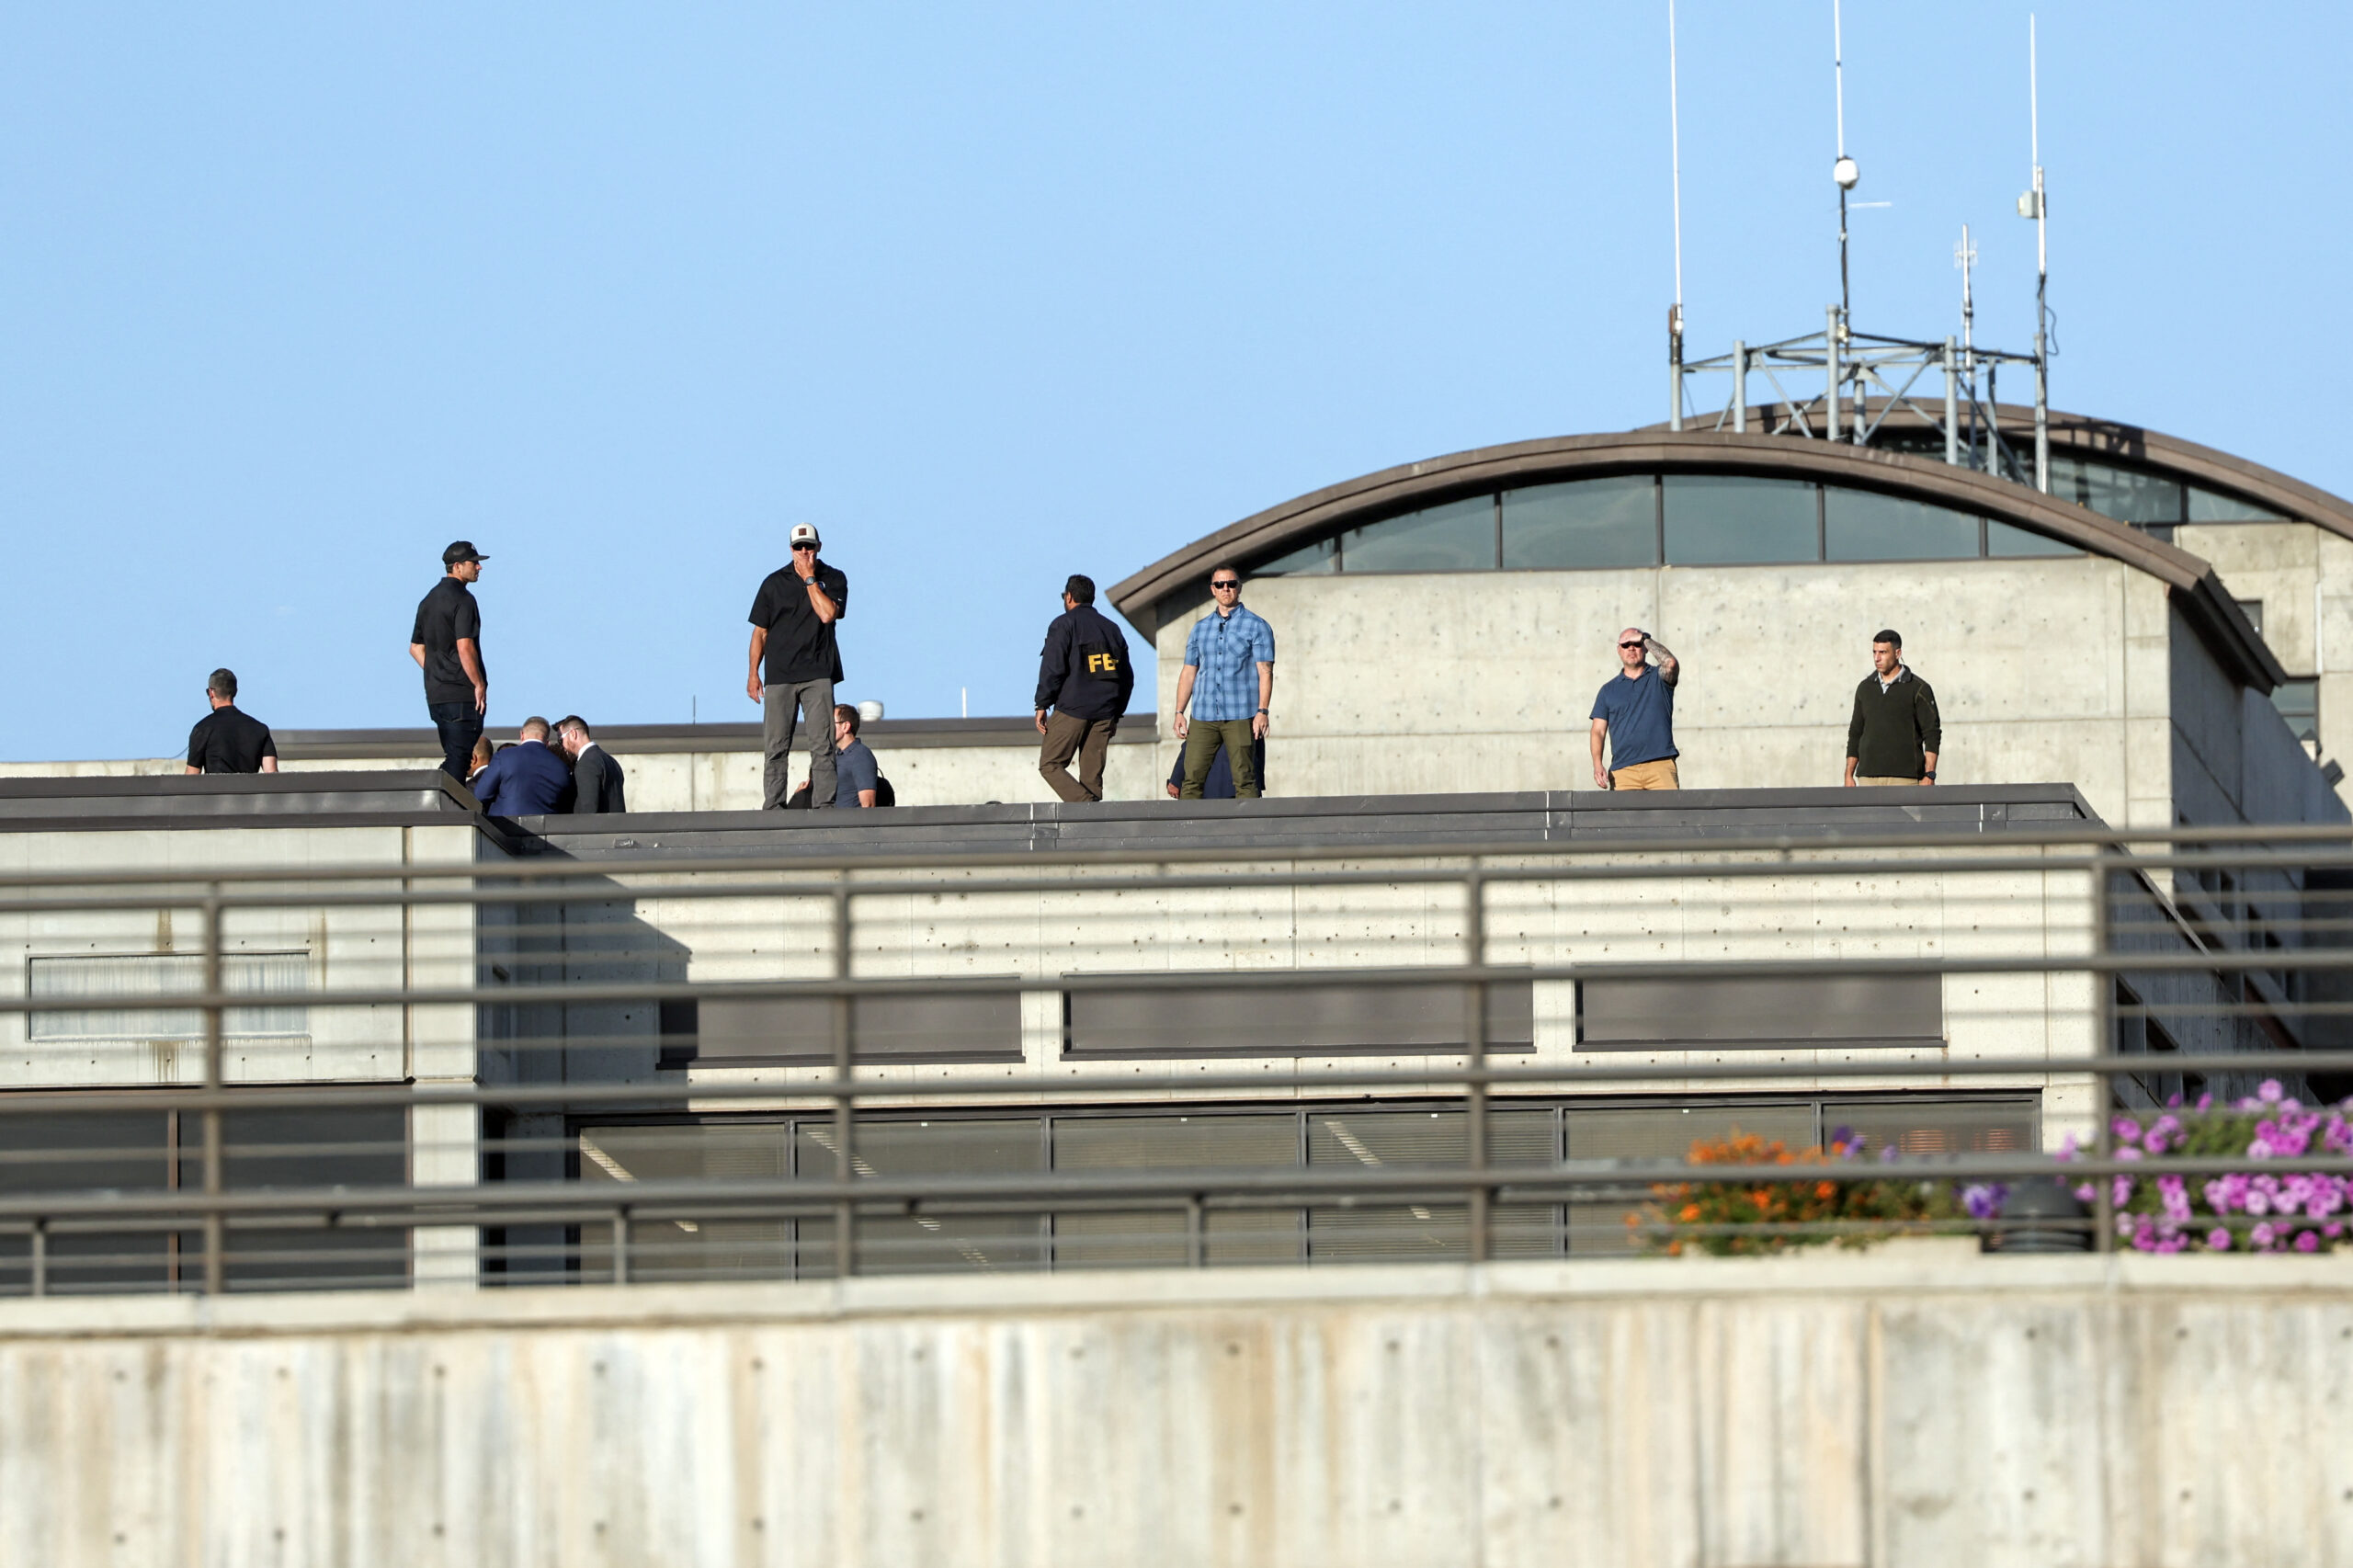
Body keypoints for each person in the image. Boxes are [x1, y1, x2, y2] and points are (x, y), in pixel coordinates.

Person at [747, 523, 848, 810]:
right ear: (790, 549)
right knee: (776, 746)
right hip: (779, 676)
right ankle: (774, 806)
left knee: (822, 744)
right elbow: (760, 632)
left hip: (818, 672)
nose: (804, 552)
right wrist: (753, 673)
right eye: (798, 547)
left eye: (809, 546)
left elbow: (828, 614)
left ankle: (824, 805)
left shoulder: (834, 577)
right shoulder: (772, 583)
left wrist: (809, 580)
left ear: (819, 547)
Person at [1173, 565, 1274, 799]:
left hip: (1240, 713)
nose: (1225, 588)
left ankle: (1249, 831)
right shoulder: (1200, 628)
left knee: (1245, 778)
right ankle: (1189, 832)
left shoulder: (1257, 626)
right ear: (1213, 590)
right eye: (1220, 584)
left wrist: (1262, 711)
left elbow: (1265, 671)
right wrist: (1179, 711)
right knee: (1192, 778)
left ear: (1239, 588)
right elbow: (1189, 672)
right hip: (1204, 714)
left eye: (1231, 584)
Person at [1033, 574, 1135, 802]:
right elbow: (1127, 677)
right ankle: (1092, 828)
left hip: (1073, 709)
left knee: (1050, 764)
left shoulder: (1064, 624)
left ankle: (1086, 807)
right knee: (1092, 778)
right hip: (1105, 712)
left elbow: (1053, 667)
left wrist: (1042, 703)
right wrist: (1116, 714)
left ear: (1069, 597)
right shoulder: (1112, 629)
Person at [409, 541, 489, 781]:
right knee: (460, 758)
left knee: (456, 755)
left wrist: (438, 672)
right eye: (473, 563)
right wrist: (478, 683)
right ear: (457, 566)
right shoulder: (463, 600)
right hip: (461, 695)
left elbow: (415, 648)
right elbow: (464, 646)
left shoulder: (428, 600)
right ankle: (435, 801)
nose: (478, 567)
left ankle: (435, 798)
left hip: (437, 694)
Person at [1844, 629, 1941, 787]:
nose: (1877, 658)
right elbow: (1855, 732)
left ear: (1897, 653)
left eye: (1883, 652)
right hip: (1868, 778)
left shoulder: (1918, 689)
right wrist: (1849, 775)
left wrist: (1929, 774)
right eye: (1874, 652)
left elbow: (1932, 734)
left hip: (1906, 779)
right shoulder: (1865, 688)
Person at [1589, 627, 1681, 790]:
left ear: (1645, 648)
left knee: (1669, 815)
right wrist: (1597, 765)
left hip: (1660, 765)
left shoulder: (1659, 678)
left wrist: (1645, 638)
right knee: (1623, 817)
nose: (1631, 648)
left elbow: (1671, 663)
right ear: (1619, 650)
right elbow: (1598, 731)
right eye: (1626, 645)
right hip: (1623, 771)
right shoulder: (1607, 690)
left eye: (1636, 644)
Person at [470, 717, 574, 816]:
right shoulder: (561, 767)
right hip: (545, 831)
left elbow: (481, 795)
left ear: (522, 735)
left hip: (504, 828)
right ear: (547, 742)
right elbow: (566, 807)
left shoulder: (503, 757)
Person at [183, 668, 278, 775]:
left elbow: (192, 777)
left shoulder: (202, 729)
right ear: (235, 692)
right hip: (248, 790)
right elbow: (272, 774)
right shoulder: (260, 729)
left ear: (211, 692)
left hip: (217, 790)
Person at [557, 715, 628, 813]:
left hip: (598, 827)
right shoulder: (611, 761)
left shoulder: (586, 763)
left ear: (573, 734)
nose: (562, 747)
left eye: (561, 740)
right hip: (617, 826)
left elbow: (587, 808)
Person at [1165, 739, 1264, 800]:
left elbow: (1193, 745)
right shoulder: (1251, 710)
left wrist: (1176, 779)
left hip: (1210, 786)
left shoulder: (1208, 710)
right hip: (1244, 786)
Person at [829, 704, 881, 807]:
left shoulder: (860, 755)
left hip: (850, 822)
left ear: (846, 726)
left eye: (830, 723)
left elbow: (868, 804)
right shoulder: (837, 756)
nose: (826, 727)